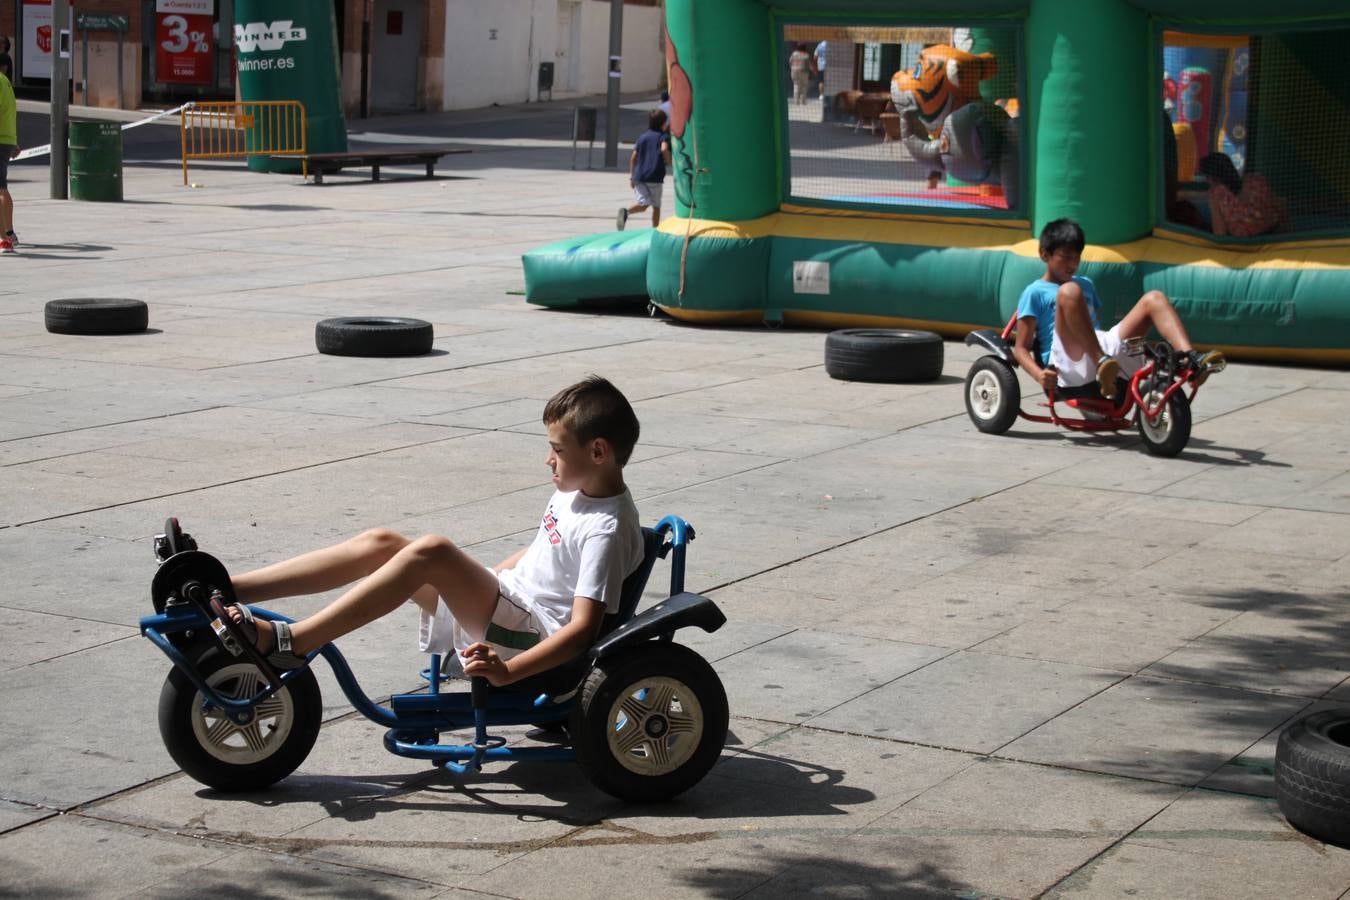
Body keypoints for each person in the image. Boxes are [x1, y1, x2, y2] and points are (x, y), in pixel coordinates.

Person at [215, 376, 645, 688]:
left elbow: (583, 629)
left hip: (528, 637)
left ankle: (295, 642)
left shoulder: (604, 528)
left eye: (557, 451)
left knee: (432, 551)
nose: (548, 461)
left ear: (598, 451)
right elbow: (542, 553)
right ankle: (225, 588)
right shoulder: (577, 493)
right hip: (507, 606)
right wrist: (476, 583)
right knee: (382, 543)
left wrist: (508, 671)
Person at [1012, 218, 1224, 400]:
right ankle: (1102, 362)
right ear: (1044, 254)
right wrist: (1039, 375)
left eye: (1077, 257)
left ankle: (1190, 360)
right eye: (1066, 257)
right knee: (1069, 291)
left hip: (1099, 345)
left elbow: (1094, 325)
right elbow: (1021, 348)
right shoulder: (1035, 292)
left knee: (1154, 298)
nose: (1073, 263)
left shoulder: (1085, 283)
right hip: (1065, 362)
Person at [1198, 152, 1288, 239]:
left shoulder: (1216, 194)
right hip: (1272, 234)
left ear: (1211, 177)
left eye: (1207, 177)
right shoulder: (1256, 180)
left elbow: (1220, 234)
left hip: (1244, 243)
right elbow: (1278, 207)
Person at [616, 108, 670, 231]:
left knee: (643, 204)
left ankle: (626, 212)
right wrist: (669, 161)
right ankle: (655, 229)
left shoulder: (642, 137)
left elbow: (633, 157)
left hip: (639, 177)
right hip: (655, 176)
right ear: (663, 123)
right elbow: (664, 149)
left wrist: (632, 176)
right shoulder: (663, 137)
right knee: (656, 206)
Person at [0, 69, 19, 254]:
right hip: (6, 139)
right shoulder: (5, 81)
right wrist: (14, 141)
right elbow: (11, 112)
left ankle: (6, 237)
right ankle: (7, 235)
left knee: (1, 189)